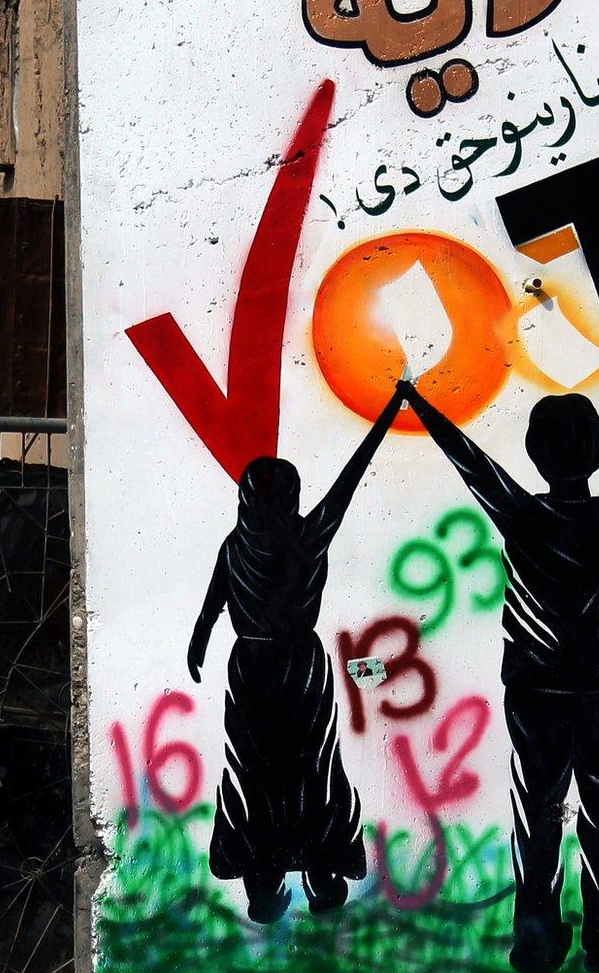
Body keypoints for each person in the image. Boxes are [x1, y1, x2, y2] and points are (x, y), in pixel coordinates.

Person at [401, 380, 599, 973]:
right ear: (596, 451)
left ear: (537, 454)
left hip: (534, 696)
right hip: (597, 693)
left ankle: (537, 938)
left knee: (538, 820)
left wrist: (418, 401)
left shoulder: (522, 514)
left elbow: (471, 462)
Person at [187, 379, 408, 923]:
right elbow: (350, 479)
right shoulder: (306, 538)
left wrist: (198, 642)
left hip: (250, 665)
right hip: (300, 667)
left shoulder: (236, 543)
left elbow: (212, 605)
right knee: (311, 764)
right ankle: (321, 866)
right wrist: (388, 412)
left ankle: (264, 872)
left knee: (256, 771)